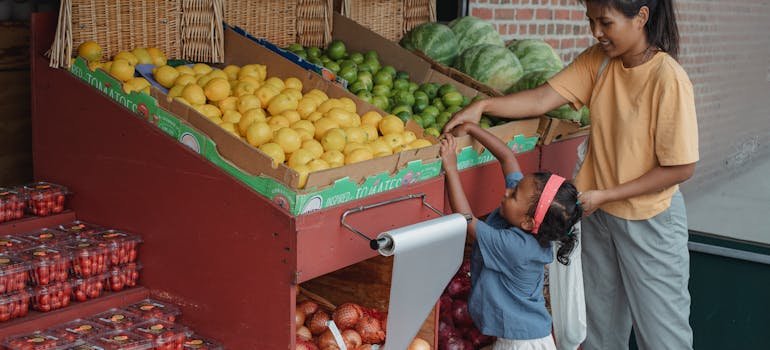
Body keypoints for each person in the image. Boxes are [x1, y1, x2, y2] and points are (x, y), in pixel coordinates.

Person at [443, 0, 698, 348]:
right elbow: (541, 99)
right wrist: (483, 106)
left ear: (641, 17)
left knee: (663, 336)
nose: (596, 32)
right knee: (597, 333)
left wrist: (607, 194)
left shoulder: (668, 78)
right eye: (591, 21)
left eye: (605, 22)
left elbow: (681, 167)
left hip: (648, 220)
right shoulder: (600, 60)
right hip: (598, 216)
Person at [440, 122, 582, 350]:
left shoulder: (515, 246)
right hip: (527, 335)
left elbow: (466, 219)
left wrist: (451, 167)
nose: (507, 191)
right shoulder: (526, 210)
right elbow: (507, 157)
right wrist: (472, 129)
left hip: (520, 344)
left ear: (528, 222)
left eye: (514, 195)